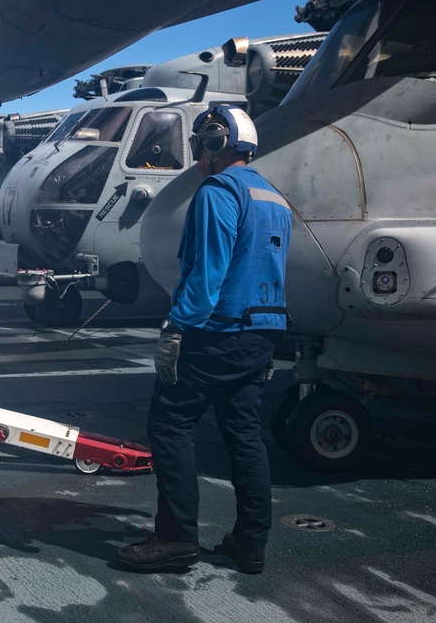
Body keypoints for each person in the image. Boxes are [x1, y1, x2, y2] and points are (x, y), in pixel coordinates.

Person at [116, 105, 292, 575]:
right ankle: (250, 543)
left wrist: (176, 328)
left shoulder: (217, 191)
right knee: (245, 436)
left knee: (170, 425)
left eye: (201, 144)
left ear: (216, 143)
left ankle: (176, 539)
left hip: (215, 333)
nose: (198, 155)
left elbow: (207, 273)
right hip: (260, 334)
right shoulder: (274, 198)